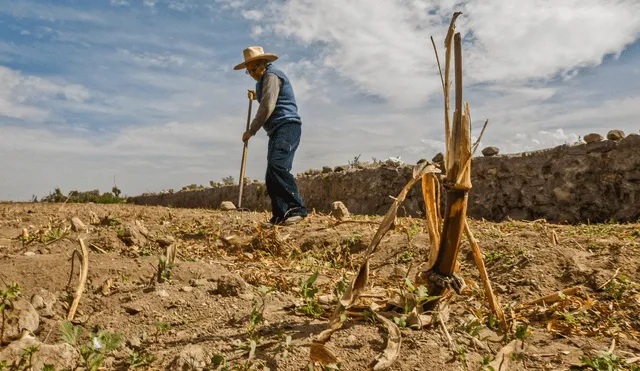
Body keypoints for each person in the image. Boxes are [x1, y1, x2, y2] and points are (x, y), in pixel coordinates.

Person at [234, 46, 308, 226]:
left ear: (264, 64)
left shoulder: (271, 76)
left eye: (254, 69)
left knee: (278, 167)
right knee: (271, 174)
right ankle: (280, 216)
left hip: (287, 126)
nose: (252, 73)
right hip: (276, 130)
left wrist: (251, 130)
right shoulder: (264, 79)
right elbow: (266, 95)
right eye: (248, 71)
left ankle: (296, 209)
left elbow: (267, 105)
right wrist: (256, 94)